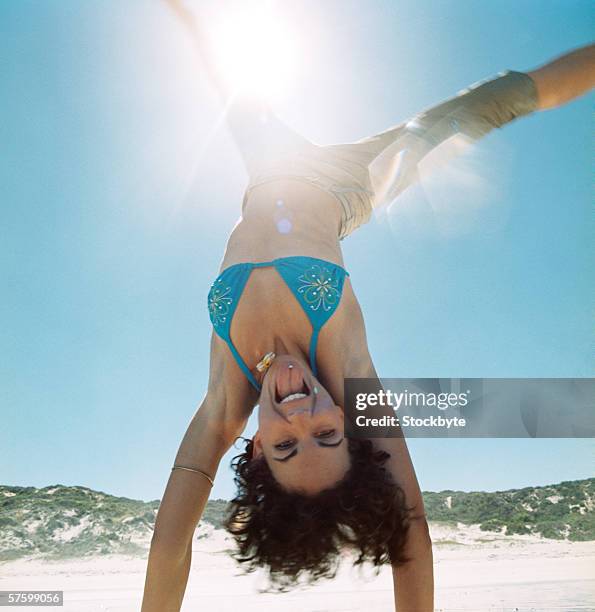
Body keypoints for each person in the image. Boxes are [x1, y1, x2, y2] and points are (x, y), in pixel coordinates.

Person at [142, 3, 595, 610]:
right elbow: (414, 541)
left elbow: (169, 549)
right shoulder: (353, 376)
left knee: (220, 60)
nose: (302, 415)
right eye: (327, 435)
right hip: (352, 180)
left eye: (285, 445)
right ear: (353, 426)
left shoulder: (225, 405)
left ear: (253, 450)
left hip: (268, 162)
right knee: (495, 100)